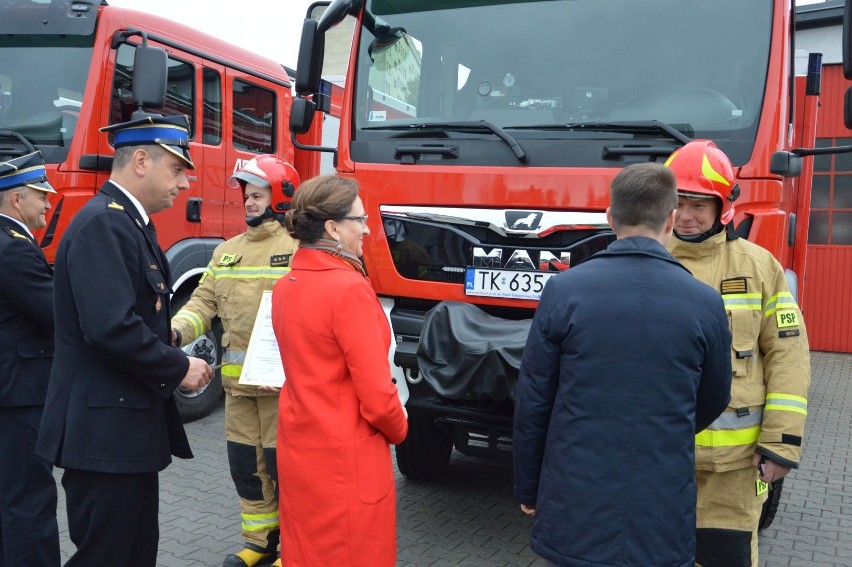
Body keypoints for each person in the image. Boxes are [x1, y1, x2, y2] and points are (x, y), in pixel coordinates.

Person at [513, 162, 733, 567]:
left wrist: (529, 487)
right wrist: (664, 427)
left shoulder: (564, 291)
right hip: (661, 501)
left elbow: (534, 401)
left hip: (574, 501)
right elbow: (715, 397)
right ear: (670, 219)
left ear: (610, 217)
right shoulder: (705, 302)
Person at [36, 115, 213, 567]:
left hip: (122, 435)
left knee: (133, 554)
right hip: (104, 438)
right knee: (108, 556)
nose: (185, 184)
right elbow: (111, 328)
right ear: (140, 160)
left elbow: (128, 314)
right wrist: (180, 367)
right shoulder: (106, 224)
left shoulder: (127, 223)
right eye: (176, 170)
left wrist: (166, 334)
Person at [665, 140, 811, 567]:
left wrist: (781, 443)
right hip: (660, 459)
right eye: (678, 203)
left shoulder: (759, 267)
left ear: (722, 205)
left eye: (698, 204)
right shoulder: (648, 261)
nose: (687, 216)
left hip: (735, 466)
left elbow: (789, 356)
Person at [270, 175, 409, 566]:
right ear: (332, 227)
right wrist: (401, 428)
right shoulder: (348, 289)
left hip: (301, 454)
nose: (366, 228)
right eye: (359, 220)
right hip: (347, 462)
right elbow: (379, 399)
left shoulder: (287, 284)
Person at [171, 155, 300, 567]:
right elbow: (202, 302)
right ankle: (260, 543)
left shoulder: (299, 250)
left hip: (284, 390)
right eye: (245, 194)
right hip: (239, 390)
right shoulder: (227, 252)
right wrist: (172, 334)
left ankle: (296, 549)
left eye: (257, 194)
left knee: (288, 474)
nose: (247, 201)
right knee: (247, 468)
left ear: (281, 196)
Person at [0, 151, 59, 566]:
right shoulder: (15, 249)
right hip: (20, 394)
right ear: (16, 200)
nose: (48, 203)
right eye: (41, 195)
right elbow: (55, 311)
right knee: (30, 502)